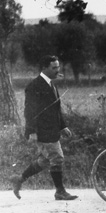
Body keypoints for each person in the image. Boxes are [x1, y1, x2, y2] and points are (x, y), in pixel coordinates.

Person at [11, 56, 76, 201]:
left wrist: (63, 126)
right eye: (54, 67)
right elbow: (29, 111)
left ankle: (19, 179)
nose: (57, 70)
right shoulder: (34, 86)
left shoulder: (51, 85)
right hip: (41, 130)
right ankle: (60, 191)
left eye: (58, 67)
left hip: (52, 129)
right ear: (44, 68)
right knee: (57, 157)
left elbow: (56, 109)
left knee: (45, 160)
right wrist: (32, 131)